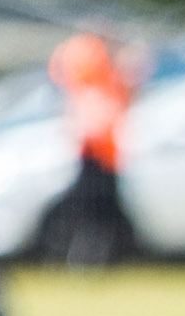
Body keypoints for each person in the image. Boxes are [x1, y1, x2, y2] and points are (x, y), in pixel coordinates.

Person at [46, 31, 139, 263]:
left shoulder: (107, 78)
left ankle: (95, 256)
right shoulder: (88, 66)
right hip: (94, 149)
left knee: (99, 211)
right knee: (90, 209)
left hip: (104, 150)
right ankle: (83, 255)